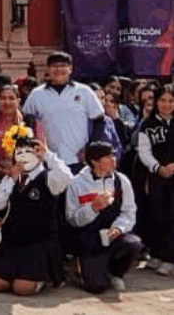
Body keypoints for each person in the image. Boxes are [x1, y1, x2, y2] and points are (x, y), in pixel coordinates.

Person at [0, 132, 73, 296]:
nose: (24, 156)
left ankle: (44, 278)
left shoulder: (48, 177)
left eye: (29, 152)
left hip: (39, 243)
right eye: (19, 152)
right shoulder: (12, 178)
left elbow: (67, 178)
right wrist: (11, 180)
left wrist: (47, 155)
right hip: (13, 241)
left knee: (22, 288)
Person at [66, 141, 143, 293]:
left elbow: (129, 211)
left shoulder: (121, 180)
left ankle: (116, 273)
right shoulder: (77, 183)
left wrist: (119, 227)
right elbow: (72, 219)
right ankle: (78, 267)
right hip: (88, 239)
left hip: (113, 235)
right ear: (94, 161)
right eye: (107, 157)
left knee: (133, 243)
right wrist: (93, 208)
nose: (113, 160)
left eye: (113, 156)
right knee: (96, 287)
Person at [22, 52, 106, 171]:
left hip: (78, 160)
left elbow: (99, 120)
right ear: (48, 69)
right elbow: (27, 124)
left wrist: (90, 148)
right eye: (54, 66)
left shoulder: (84, 91)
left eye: (63, 65)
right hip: (47, 161)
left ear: (70, 68)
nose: (58, 69)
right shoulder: (36, 94)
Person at [135, 85, 174, 276]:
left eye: (171, 101)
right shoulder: (147, 125)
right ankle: (157, 253)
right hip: (156, 177)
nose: (167, 105)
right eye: (163, 100)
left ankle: (169, 258)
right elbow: (143, 151)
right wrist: (158, 167)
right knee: (157, 214)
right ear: (156, 102)